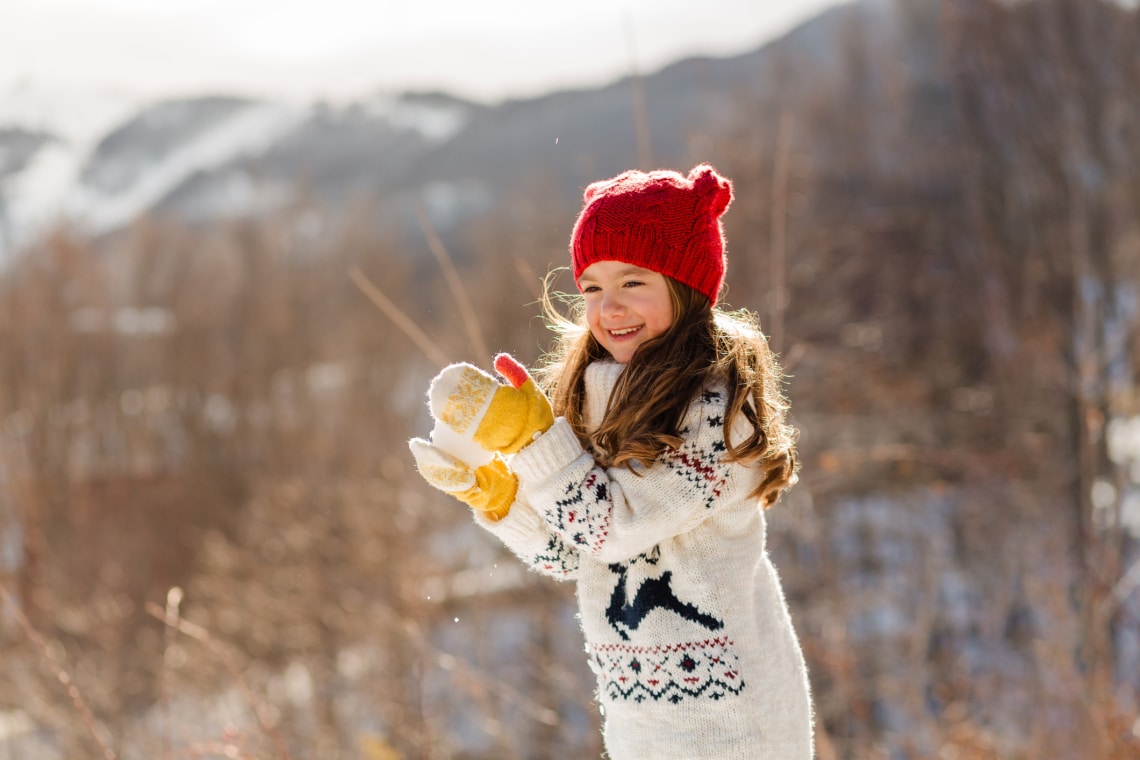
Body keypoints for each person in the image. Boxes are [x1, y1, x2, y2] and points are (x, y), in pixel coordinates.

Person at [409, 164, 814, 759]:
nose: (609, 308)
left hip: (730, 721)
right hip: (639, 716)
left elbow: (614, 529)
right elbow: (573, 554)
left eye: (633, 282)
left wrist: (531, 440)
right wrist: (501, 499)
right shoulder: (598, 392)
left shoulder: (716, 410)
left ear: (687, 285)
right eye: (592, 287)